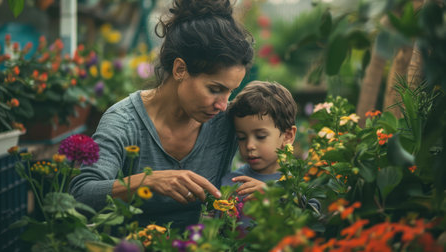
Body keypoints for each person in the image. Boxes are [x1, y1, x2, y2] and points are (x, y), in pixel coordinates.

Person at [69, 0, 254, 231]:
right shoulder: (125, 122)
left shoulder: (224, 123)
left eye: (230, 92)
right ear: (180, 70)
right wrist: (149, 181)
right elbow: (81, 195)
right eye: (215, 89)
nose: (223, 105)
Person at [221, 81, 320, 229]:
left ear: (287, 136)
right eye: (241, 137)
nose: (249, 146)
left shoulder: (300, 184)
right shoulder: (230, 183)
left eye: (260, 136)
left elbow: (314, 223)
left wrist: (274, 196)